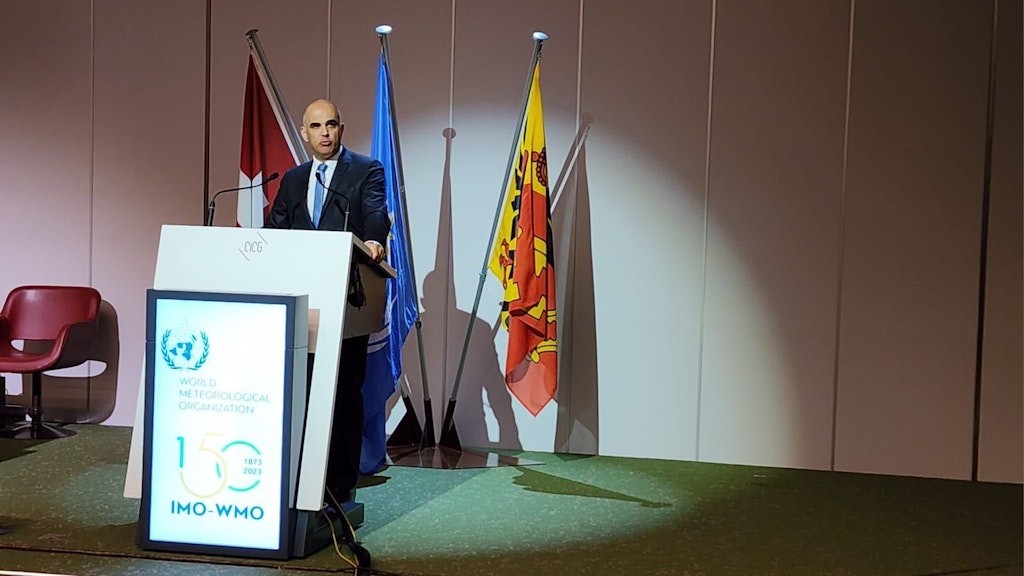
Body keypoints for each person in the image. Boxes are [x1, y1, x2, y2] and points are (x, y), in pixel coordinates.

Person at [265, 98, 388, 505]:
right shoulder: (295, 179)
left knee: (342, 396)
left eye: (331, 125)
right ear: (304, 132)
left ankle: (340, 485)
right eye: (316, 126)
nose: (324, 133)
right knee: (299, 392)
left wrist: (374, 240)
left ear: (341, 128)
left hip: (345, 302)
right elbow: (275, 230)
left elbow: (375, 214)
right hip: (300, 304)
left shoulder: (365, 169)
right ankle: (298, 479)